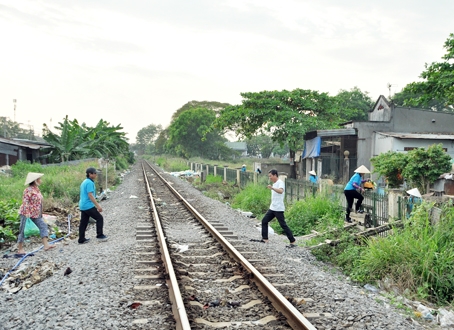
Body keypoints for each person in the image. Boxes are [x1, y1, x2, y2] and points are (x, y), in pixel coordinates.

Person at [251, 169, 296, 248]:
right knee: (264, 221)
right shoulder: (274, 183)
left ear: (275, 175)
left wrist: (272, 188)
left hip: (278, 208)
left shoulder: (280, 183)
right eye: (269, 176)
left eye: (270, 176)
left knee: (283, 225)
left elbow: (281, 191)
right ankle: (265, 239)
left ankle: (292, 241)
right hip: (272, 208)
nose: (270, 178)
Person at [17, 172, 56, 255]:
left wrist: (41, 212)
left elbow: (39, 202)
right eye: (39, 179)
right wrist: (27, 212)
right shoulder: (28, 190)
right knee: (22, 230)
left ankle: (46, 245)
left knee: (43, 225)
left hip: (36, 213)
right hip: (26, 214)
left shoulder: (37, 189)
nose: (40, 181)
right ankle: (20, 249)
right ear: (35, 181)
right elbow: (25, 202)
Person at [78, 167, 108, 244]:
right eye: (94, 173)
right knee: (99, 218)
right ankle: (99, 235)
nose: (96, 174)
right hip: (88, 205)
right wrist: (98, 206)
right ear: (90, 174)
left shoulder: (85, 181)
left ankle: (81, 239)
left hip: (82, 205)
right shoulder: (89, 183)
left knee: (84, 222)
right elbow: (90, 195)